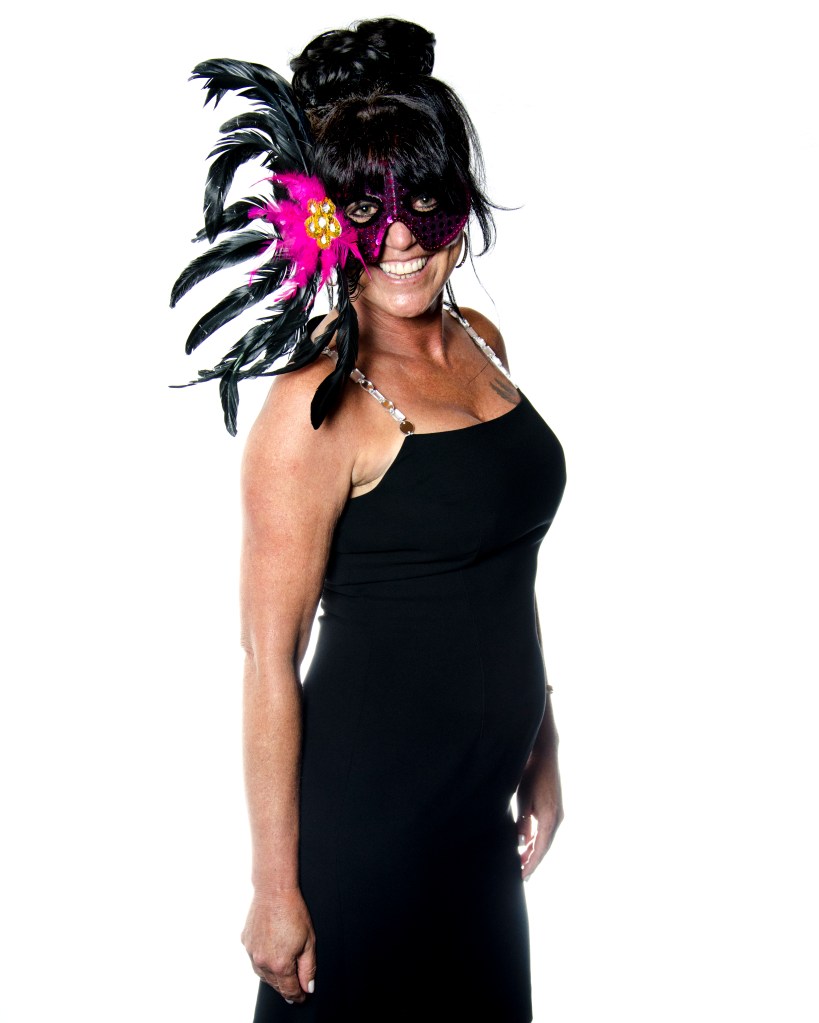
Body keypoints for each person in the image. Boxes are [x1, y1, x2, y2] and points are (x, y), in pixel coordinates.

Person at [172, 18, 567, 1022]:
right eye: (366, 209)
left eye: (424, 201)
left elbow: (501, 576)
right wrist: (273, 889)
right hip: (368, 829)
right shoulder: (315, 409)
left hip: (476, 827)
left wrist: (542, 744)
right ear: (327, 218)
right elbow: (267, 657)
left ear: (459, 201)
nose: (399, 238)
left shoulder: (482, 339)